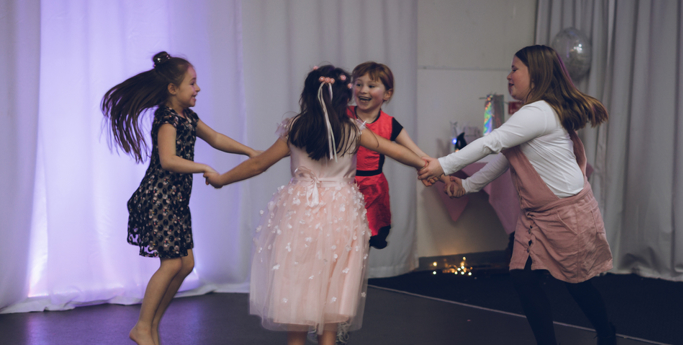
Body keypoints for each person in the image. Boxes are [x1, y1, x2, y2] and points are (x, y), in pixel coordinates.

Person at [203, 65, 426, 345]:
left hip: (301, 211)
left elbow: (259, 164)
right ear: (346, 98)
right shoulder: (354, 130)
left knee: (298, 283)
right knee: (334, 286)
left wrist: (222, 179)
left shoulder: (296, 128)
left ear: (306, 96)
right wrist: (431, 167)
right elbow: (394, 150)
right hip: (342, 213)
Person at [418, 45, 617, 345]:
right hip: (535, 216)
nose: (508, 76)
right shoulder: (532, 113)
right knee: (523, 278)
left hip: (568, 214)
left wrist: (442, 165)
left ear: (535, 75)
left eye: (515, 68)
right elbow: (504, 157)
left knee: (577, 284)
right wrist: (466, 185)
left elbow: (492, 143)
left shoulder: (538, 112)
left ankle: (607, 332)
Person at [101, 51, 259, 345]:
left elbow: (216, 138)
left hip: (174, 201)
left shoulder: (187, 116)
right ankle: (143, 327)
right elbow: (168, 160)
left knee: (185, 265)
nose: (197, 88)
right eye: (192, 83)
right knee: (172, 264)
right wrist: (203, 166)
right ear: (173, 89)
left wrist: (250, 152)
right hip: (158, 198)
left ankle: (151, 327)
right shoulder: (166, 118)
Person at [347, 62, 459, 250]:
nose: (363, 90)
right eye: (358, 84)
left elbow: (418, 154)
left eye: (371, 86)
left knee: (365, 242)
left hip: (373, 191)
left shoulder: (390, 124)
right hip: (345, 187)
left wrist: (446, 179)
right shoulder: (342, 115)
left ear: (387, 94)